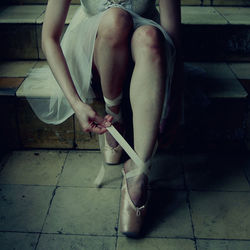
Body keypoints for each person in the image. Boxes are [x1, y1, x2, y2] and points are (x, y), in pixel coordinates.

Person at [24, 0, 183, 237]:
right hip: (99, 50)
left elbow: (173, 39)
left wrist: (173, 103)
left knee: (150, 36)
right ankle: (114, 117)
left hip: (149, 50)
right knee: (116, 19)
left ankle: (139, 171)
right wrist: (77, 104)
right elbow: (49, 38)